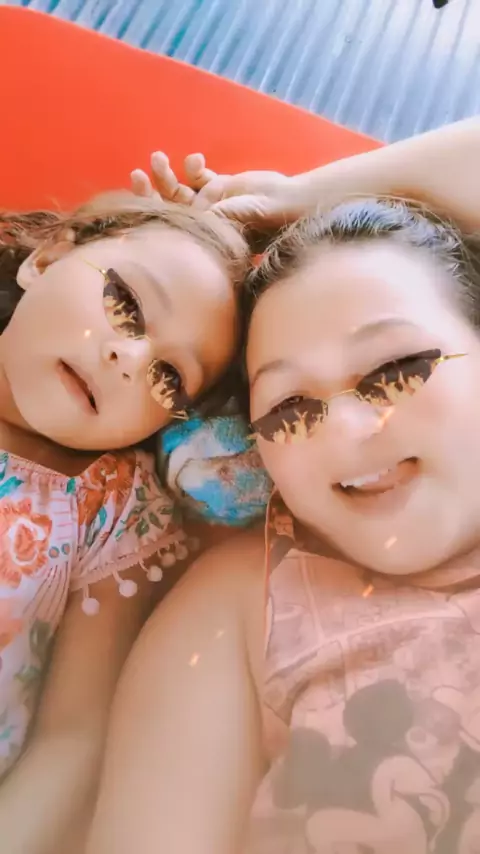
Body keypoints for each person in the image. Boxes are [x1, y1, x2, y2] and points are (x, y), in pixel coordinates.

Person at [86, 117, 480, 854]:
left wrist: (300, 199)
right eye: (290, 408)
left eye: (394, 370)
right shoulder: (245, 603)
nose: (345, 431)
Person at [0, 189, 249, 854]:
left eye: (170, 378)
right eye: (126, 304)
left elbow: (72, 741)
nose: (130, 359)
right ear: (46, 258)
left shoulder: (115, 513)